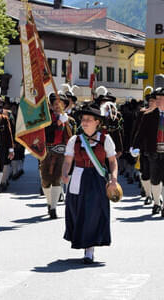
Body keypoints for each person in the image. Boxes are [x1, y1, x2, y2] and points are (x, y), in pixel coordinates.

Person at [61, 103, 118, 264]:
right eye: (83, 119)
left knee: (93, 213)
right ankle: (82, 242)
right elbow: (67, 160)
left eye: (88, 119)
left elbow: (113, 162)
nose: (84, 122)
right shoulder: (75, 140)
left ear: (97, 122)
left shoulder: (105, 140)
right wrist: (65, 173)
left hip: (97, 179)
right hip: (78, 177)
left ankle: (89, 249)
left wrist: (113, 179)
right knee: (77, 211)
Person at [40, 93, 74, 219]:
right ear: (51, 106)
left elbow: (73, 137)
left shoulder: (69, 120)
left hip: (62, 152)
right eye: (55, 104)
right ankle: (49, 203)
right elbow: (45, 132)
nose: (58, 107)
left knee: (57, 179)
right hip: (47, 151)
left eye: (60, 104)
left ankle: (53, 208)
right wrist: (58, 122)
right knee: (45, 180)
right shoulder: (46, 118)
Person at [132, 88, 164, 216]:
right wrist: (134, 146)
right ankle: (157, 203)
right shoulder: (148, 115)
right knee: (155, 179)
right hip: (153, 151)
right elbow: (141, 132)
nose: (159, 101)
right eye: (158, 98)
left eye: (162, 98)